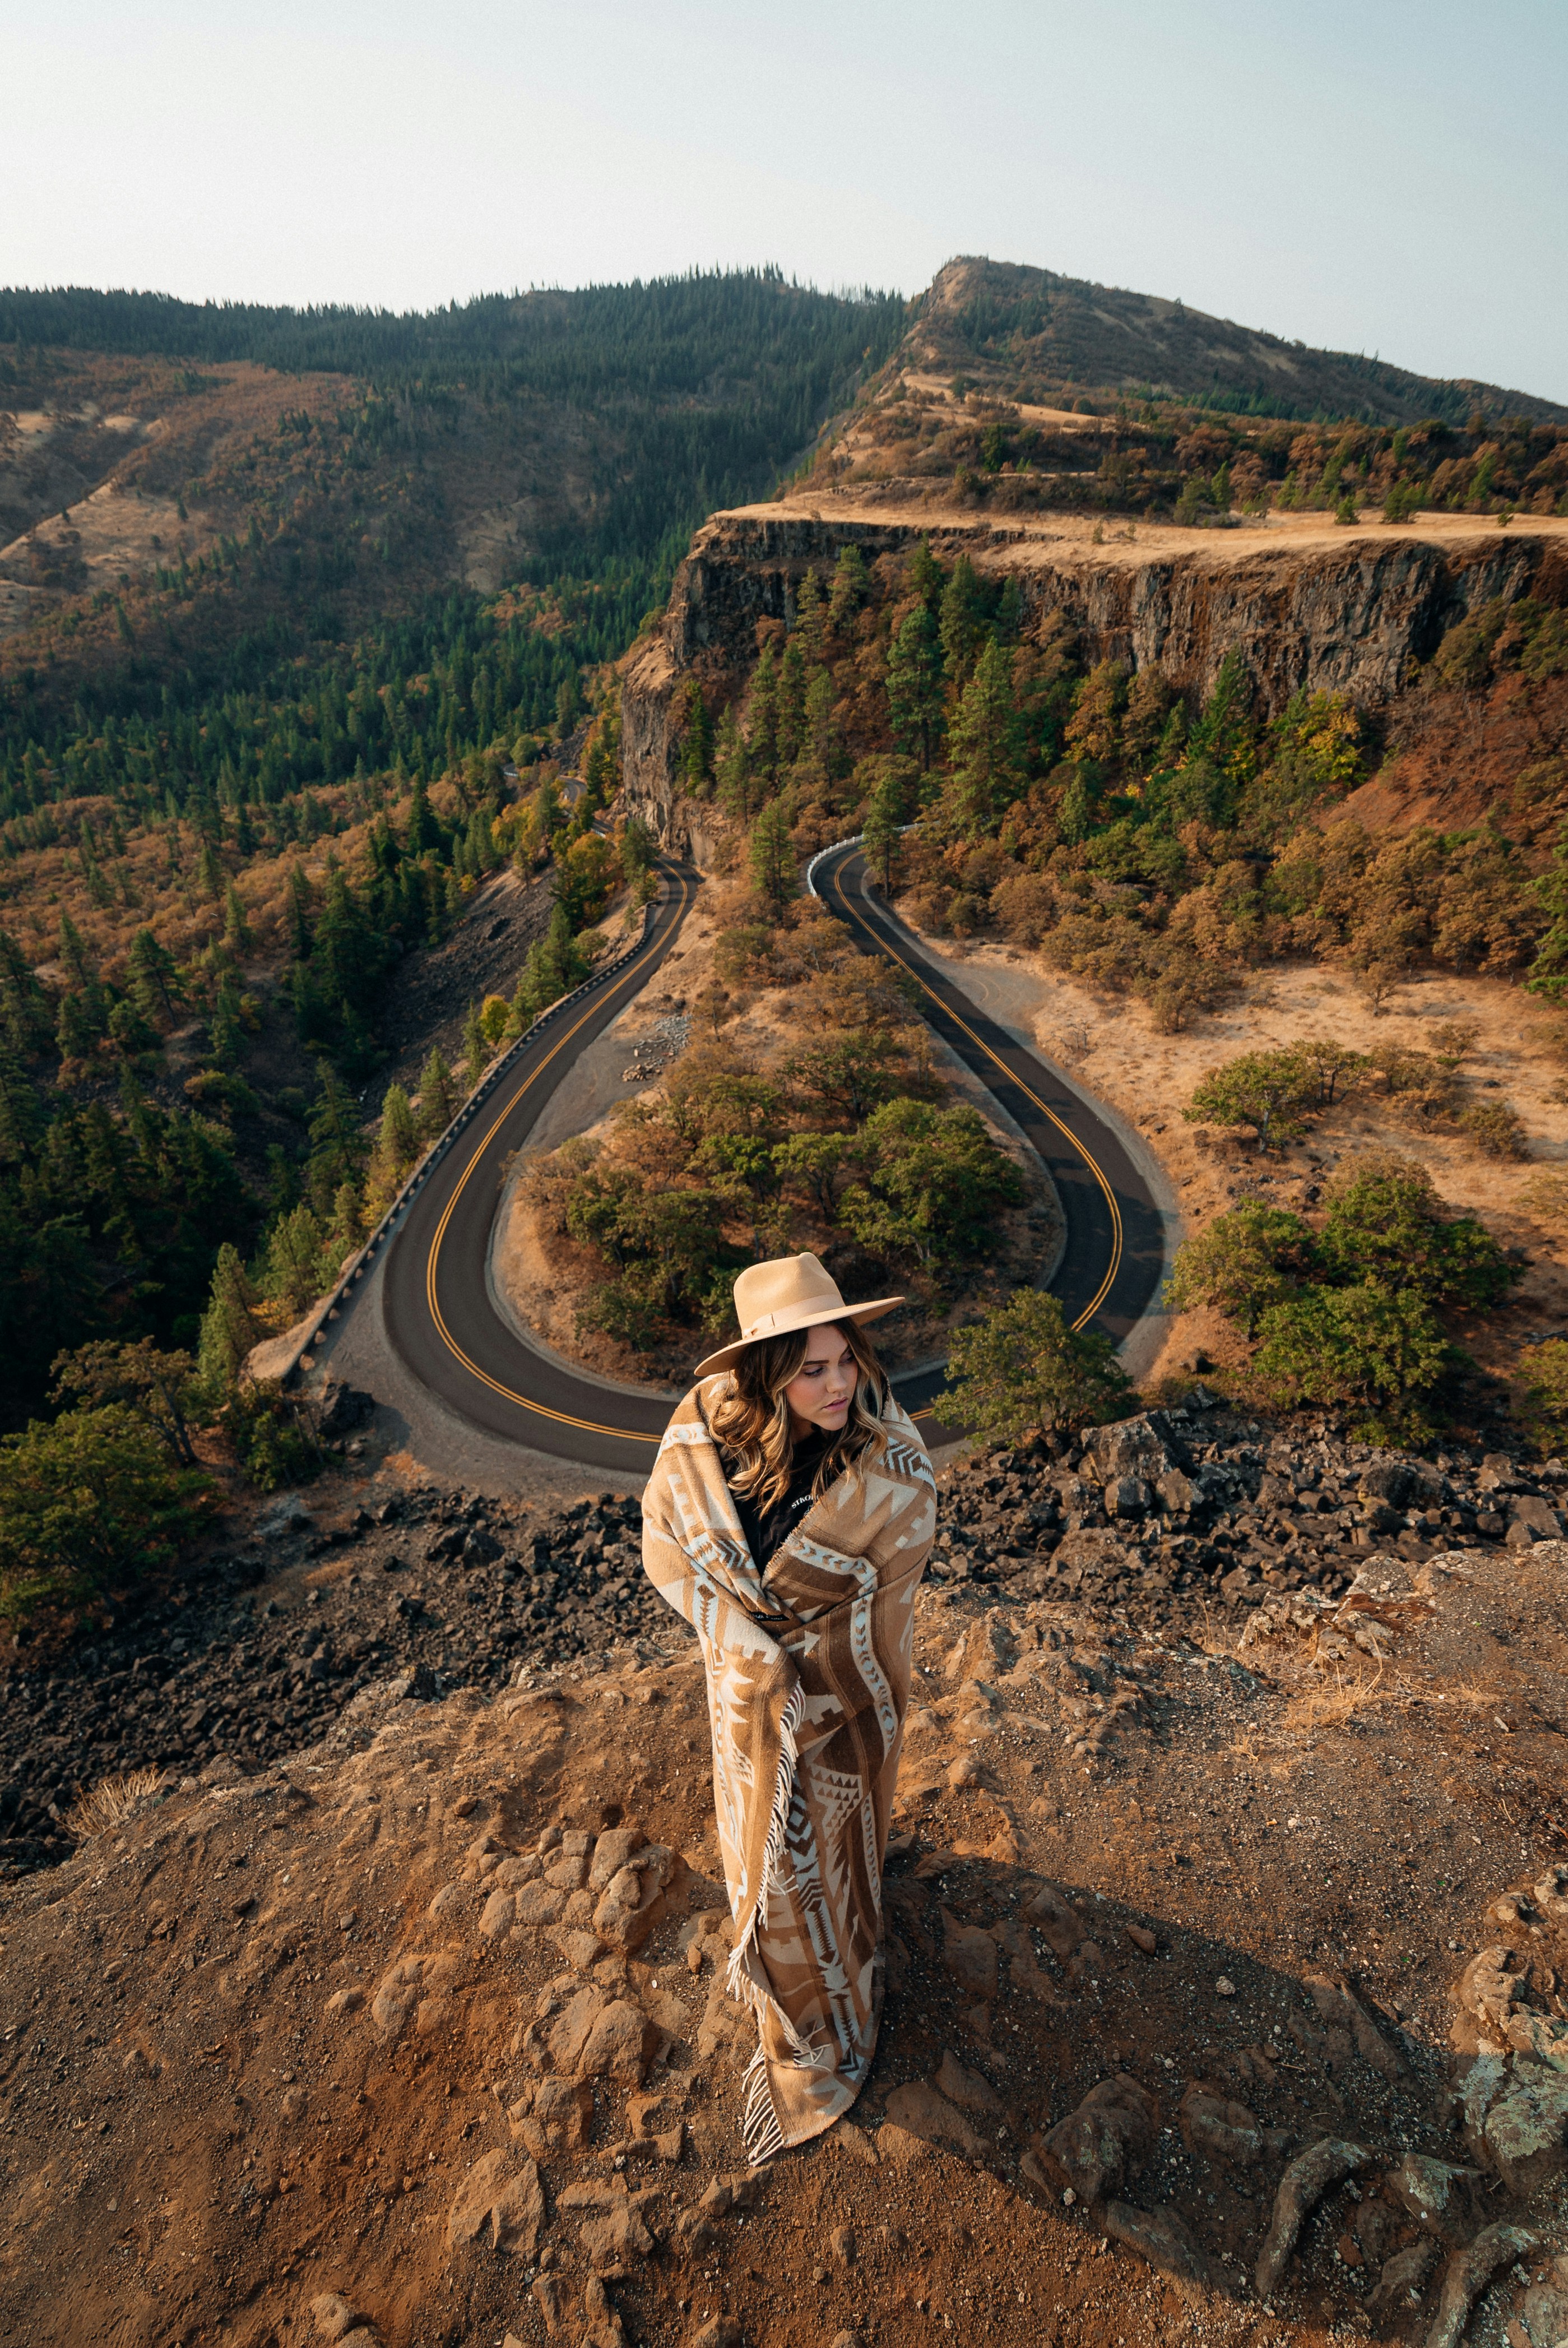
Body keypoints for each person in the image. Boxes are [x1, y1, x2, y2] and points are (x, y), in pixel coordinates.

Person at [640, 1252, 936, 2161]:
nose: (839, 1383)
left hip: (842, 1707)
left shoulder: (886, 1458)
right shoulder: (704, 1439)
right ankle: (789, 2004)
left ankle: (837, 2007)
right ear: (767, 1375)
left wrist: (805, 1657)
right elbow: (665, 1541)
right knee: (764, 1862)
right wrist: (746, 1646)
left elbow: (896, 1561)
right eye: (812, 1369)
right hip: (747, 1702)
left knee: (836, 1863)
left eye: (845, 1358)